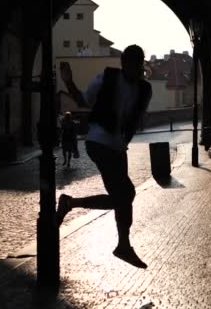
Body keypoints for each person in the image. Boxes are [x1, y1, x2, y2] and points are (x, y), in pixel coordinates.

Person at [56, 45, 152, 269]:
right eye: (131, 63)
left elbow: (136, 119)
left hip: (118, 146)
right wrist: (68, 82)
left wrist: (124, 140)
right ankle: (123, 246)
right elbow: (84, 100)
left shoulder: (145, 89)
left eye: (138, 64)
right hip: (99, 141)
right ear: (123, 63)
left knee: (125, 195)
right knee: (124, 195)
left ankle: (70, 203)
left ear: (141, 65)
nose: (135, 68)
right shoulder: (107, 77)